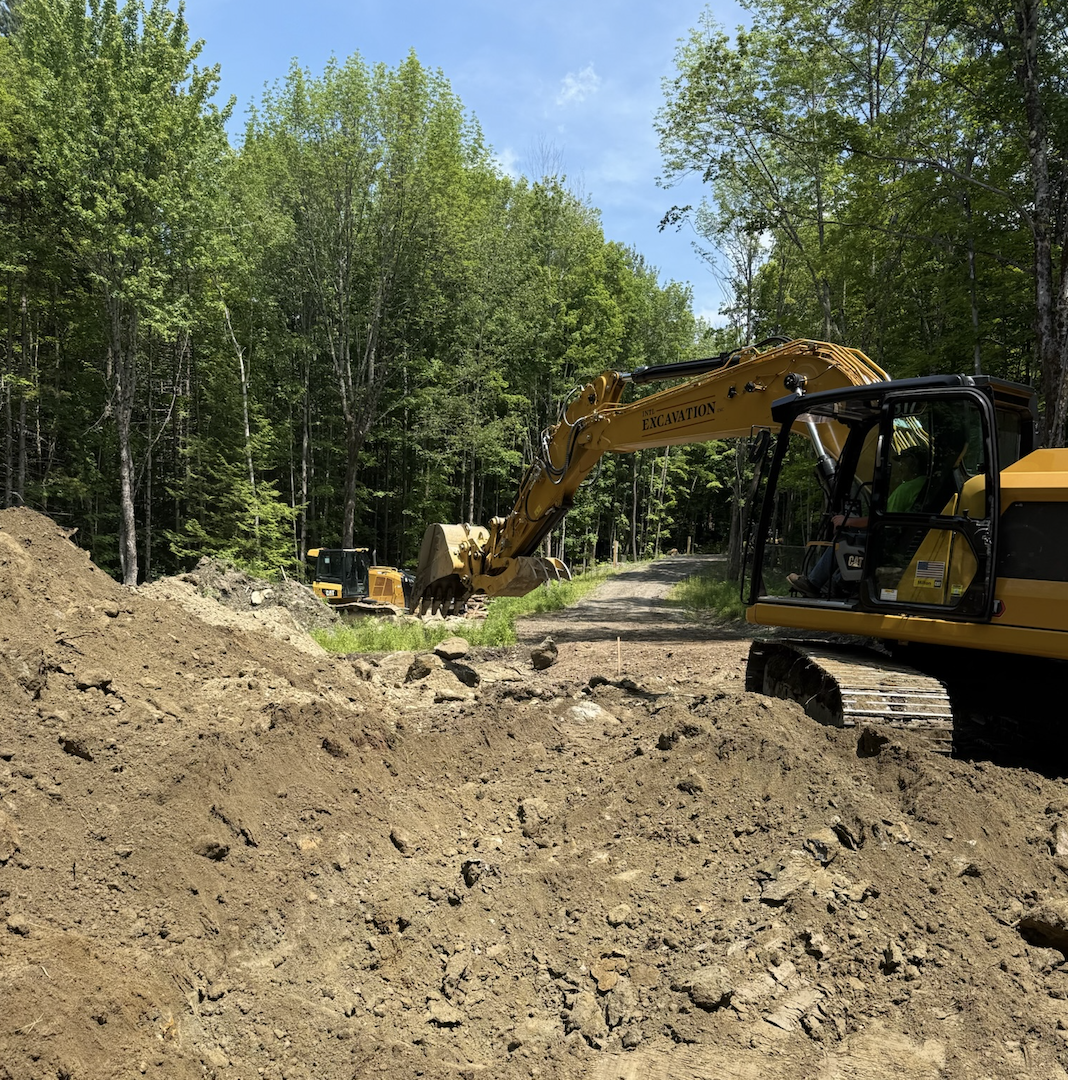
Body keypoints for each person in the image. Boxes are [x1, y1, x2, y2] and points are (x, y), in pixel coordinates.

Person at [788, 445, 929, 598]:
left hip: (888, 543)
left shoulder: (906, 489)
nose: (900, 467)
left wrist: (847, 521)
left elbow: (881, 520)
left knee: (843, 541)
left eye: (904, 463)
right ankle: (838, 586)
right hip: (900, 541)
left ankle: (814, 583)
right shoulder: (925, 486)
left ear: (914, 463)